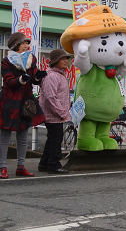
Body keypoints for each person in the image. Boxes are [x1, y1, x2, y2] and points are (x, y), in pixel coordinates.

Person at [0, 32, 47, 178]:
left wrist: (38, 77)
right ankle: (2, 167)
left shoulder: (30, 59)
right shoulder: (6, 61)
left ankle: (21, 167)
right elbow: (8, 81)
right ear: (16, 46)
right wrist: (20, 79)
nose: (27, 46)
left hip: (26, 103)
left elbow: (33, 78)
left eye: (27, 43)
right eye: (24, 43)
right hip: (9, 103)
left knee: (22, 137)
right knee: (4, 137)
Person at [38, 49, 73, 175]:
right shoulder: (51, 76)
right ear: (55, 61)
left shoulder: (60, 75)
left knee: (52, 138)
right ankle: (53, 165)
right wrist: (62, 113)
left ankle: (44, 163)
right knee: (56, 138)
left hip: (56, 114)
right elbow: (50, 97)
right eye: (62, 59)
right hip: (53, 114)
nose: (66, 61)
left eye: (67, 59)